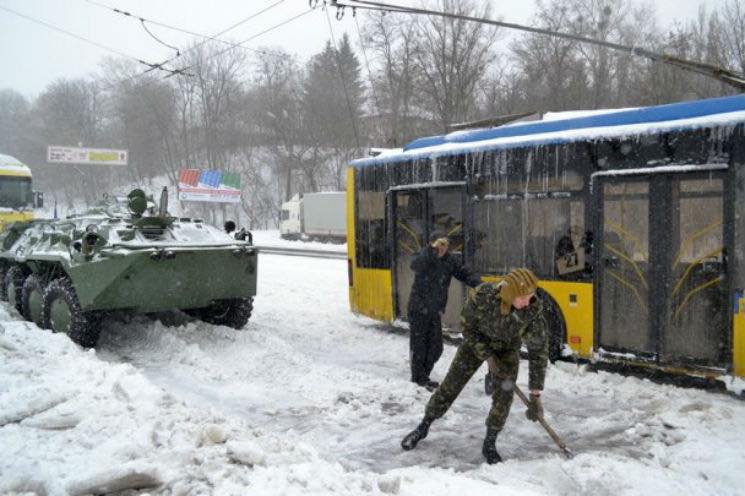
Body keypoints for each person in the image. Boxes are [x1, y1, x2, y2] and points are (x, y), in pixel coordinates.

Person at [401, 268, 550, 464]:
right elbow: (467, 327)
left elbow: (539, 350)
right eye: (523, 297)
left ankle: (490, 442)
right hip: (476, 344)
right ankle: (423, 426)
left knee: (504, 396)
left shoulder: (532, 311)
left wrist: (535, 393)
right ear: (510, 293)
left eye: (531, 296)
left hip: (506, 350)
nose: (527, 302)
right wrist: (486, 355)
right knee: (450, 386)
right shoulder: (483, 296)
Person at [407, 232, 481, 391]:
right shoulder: (424, 255)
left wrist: (479, 285)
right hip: (418, 309)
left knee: (436, 348)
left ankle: (423, 376)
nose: (443, 248)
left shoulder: (449, 261)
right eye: (440, 244)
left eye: (446, 245)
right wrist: (432, 251)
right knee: (419, 346)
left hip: (434, 311)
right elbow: (415, 265)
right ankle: (419, 378)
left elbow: (464, 273)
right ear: (432, 243)